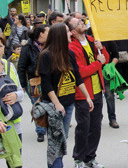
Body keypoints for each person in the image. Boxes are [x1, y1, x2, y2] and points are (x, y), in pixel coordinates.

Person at [37, 23, 94, 168]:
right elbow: (46, 84)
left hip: (68, 103)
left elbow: (77, 77)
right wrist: (56, 103)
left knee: (63, 138)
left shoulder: (69, 53)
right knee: (56, 141)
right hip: (53, 105)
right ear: (60, 35)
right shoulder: (46, 55)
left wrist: (87, 96)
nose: (71, 33)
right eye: (68, 31)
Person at [65, 16, 109, 168]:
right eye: (78, 23)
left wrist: (101, 48)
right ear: (72, 31)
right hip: (83, 94)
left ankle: (90, 158)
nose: (82, 23)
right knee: (84, 128)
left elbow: (106, 59)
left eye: (81, 21)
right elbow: (81, 72)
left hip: (98, 91)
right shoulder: (72, 48)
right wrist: (98, 63)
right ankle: (78, 158)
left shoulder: (91, 40)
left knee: (96, 128)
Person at [18, 24, 49, 142]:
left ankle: (49, 128)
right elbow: (21, 66)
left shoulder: (49, 45)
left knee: (49, 105)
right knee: (38, 105)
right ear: (41, 34)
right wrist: (22, 84)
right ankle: (40, 131)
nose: (49, 34)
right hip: (34, 81)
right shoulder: (28, 47)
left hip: (48, 80)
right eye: (47, 32)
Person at [0, 34, 24, 168]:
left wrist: (15, 95)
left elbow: (21, 92)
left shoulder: (9, 66)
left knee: (15, 164)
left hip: (13, 125)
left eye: (0, 46)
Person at [101, 40, 120, 128]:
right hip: (94, 71)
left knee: (110, 95)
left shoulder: (108, 38)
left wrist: (111, 66)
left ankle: (112, 118)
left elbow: (116, 55)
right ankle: (97, 118)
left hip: (106, 72)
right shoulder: (90, 33)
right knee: (95, 97)